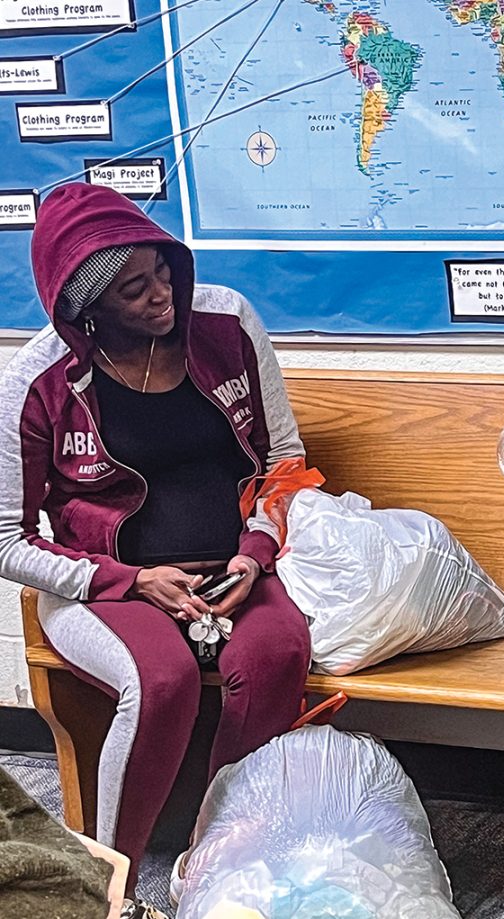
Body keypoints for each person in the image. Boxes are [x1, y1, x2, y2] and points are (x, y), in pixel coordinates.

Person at [0, 182, 313, 918]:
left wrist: (254, 554)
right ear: (89, 310)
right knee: (163, 678)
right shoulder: (38, 382)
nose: (160, 295)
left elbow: (285, 460)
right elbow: (7, 539)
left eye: (162, 271)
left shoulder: (228, 323)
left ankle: (226, 866)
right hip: (105, 586)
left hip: (230, 570)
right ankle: (111, 890)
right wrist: (128, 580)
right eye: (133, 290)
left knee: (276, 652)